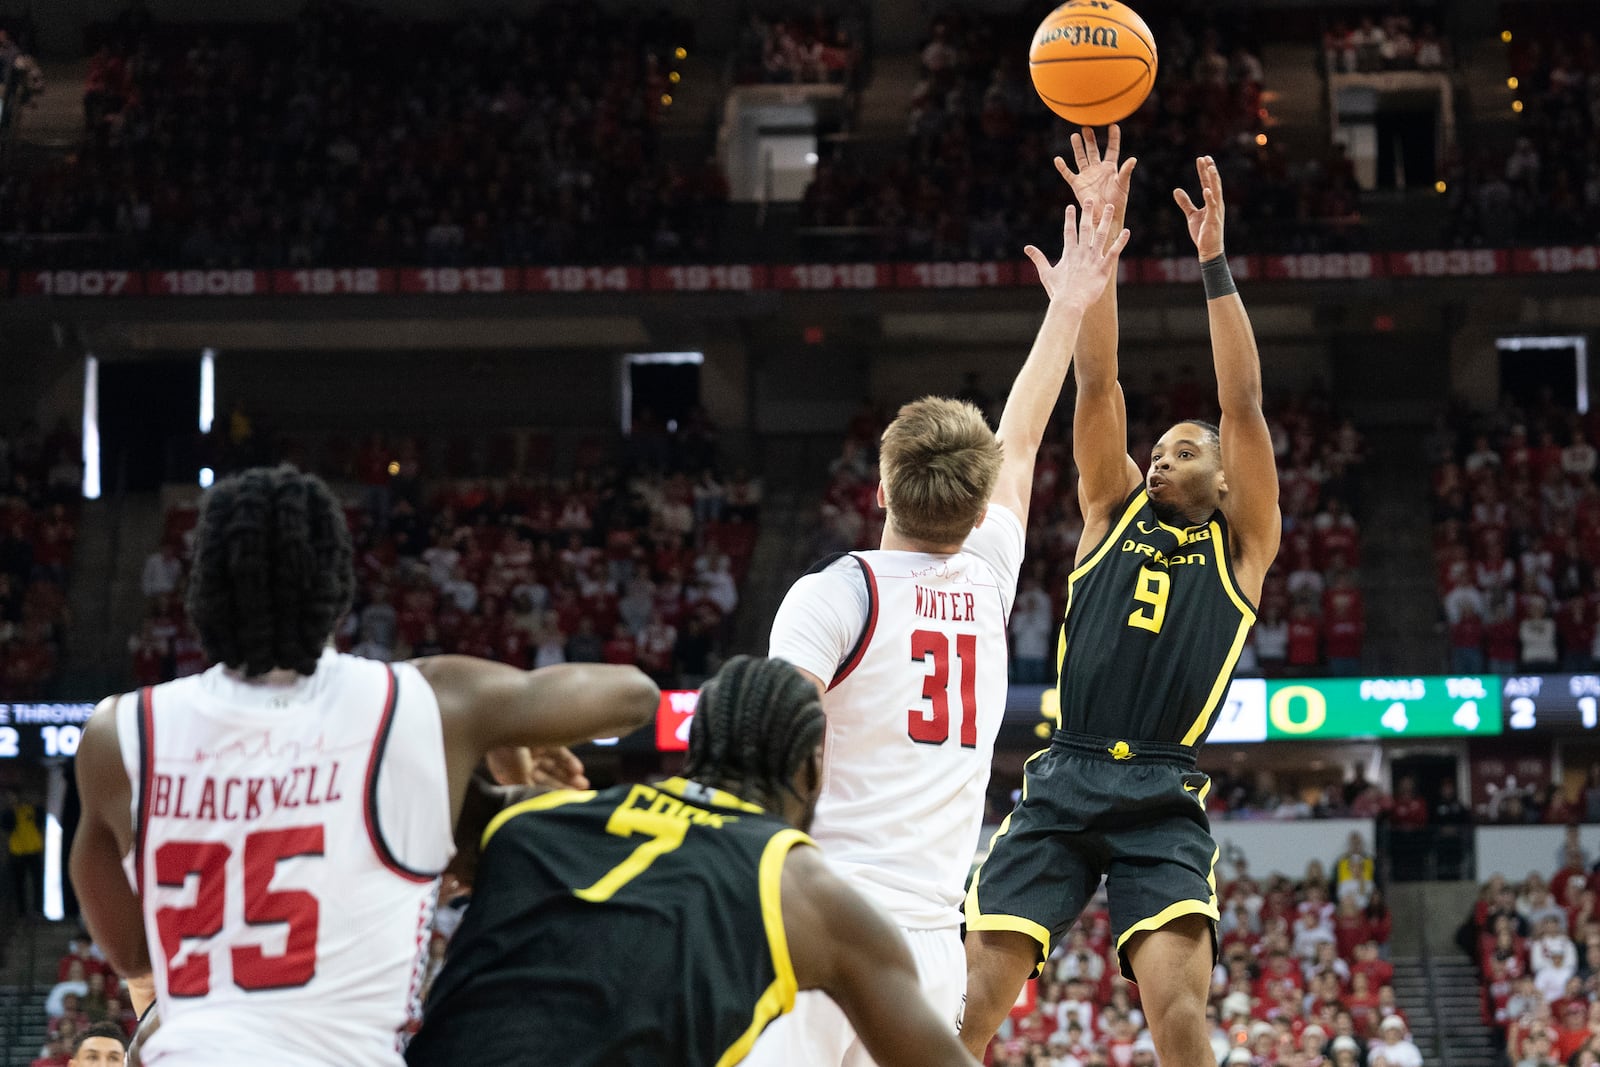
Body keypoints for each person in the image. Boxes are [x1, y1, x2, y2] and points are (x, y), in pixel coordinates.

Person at [70, 466, 661, 1067]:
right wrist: (495, 723)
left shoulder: (118, 734)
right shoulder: (428, 701)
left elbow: (132, 954)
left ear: (202, 591)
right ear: (338, 587)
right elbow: (635, 695)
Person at [751, 181, 1130, 1063]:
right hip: (925, 943)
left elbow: (770, 754)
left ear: (878, 490)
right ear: (975, 507)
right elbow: (1024, 433)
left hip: (816, 912)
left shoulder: (833, 594)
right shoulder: (991, 573)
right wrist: (1072, 300)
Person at [961, 142, 1282, 1065]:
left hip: (1160, 787)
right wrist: (1098, 252)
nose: (1161, 458)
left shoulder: (1243, 546)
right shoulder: (1108, 508)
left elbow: (1245, 403)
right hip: (1060, 775)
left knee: (1179, 1016)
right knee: (974, 1000)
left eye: (1185, 450)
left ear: (1226, 479)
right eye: (1161, 448)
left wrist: (1212, 261)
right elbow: (1097, 381)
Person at [406, 657, 979, 1067]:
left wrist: (509, 734)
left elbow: (425, 698)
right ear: (810, 773)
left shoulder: (534, 820)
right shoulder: (806, 893)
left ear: (694, 747)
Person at [4, 788, 45, 916]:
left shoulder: (31, 810)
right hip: (17, 852)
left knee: (37, 882)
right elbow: (7, 826)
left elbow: (40, 820)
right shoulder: (8, 814)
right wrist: (11, 810)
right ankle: (21, 911)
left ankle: (38, 910)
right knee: (19, 883)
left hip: (34, 850)